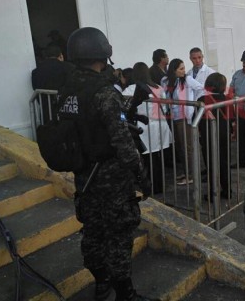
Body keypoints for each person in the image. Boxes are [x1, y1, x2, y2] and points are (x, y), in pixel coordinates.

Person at [59, 27, 154, 301]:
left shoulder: (65, 92)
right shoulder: (103, 92)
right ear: (103, 55)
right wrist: (141, 176)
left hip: (84, 176)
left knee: (93, 232)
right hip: (111, 178)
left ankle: (102, 283)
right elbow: (123, 144)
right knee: (119, 235)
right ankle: (126, 294)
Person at [128, 62, 172, 194]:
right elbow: (165, 108)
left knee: (150, 158)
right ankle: (159, 185)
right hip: (160, 124)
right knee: (157, 157)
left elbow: (129, 108)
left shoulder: (133, 89)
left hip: (146, 127)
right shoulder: (158, 87)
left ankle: (154, 187)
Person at [163, 58, 204, 185]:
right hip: (172, 117)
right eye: (181, 68)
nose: (184, 71)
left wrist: (193, 102)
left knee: (187, 147)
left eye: (184, 68)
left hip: (184, 117)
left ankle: (192, 175)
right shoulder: (166, 80)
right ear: (173, 70)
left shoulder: (187, 79)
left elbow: (200, 88)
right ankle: (187, 172)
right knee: (180, 147)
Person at [197, 72, 232, 200]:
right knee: (224, 162)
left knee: (211, 164)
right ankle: (227, 190)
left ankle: (213, 193)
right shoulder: (227, 98)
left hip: (208, 135)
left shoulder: (202, 101)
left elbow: (196, 119)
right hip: (224, 133)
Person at [31, 45, 75, 123]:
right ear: (61, 55)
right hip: (66, 114)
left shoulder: (35, 72)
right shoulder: (68, 67)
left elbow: (35, 90)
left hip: (46, 113)